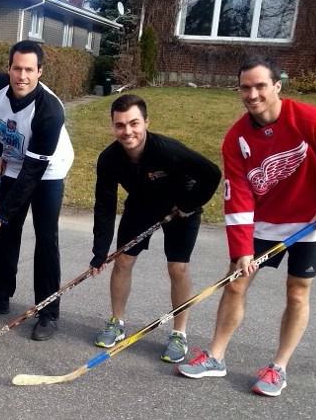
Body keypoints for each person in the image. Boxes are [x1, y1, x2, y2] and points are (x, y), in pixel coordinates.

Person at [177, 56, 316, 396]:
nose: (253, 94)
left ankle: (278, 368)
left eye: (260, 86)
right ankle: (215, 356)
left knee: (297, 290)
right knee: (236, 283)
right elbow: (238, 196)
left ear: (277, 86)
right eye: (246, 87)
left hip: (312, 222)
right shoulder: (236, 138)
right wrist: (242, 250)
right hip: (264, 222)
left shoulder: (307, 119)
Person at [90, 94, 221, 363]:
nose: (127, 131)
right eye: (120, 125)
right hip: (141, 207)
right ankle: (116, 322)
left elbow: (211, 173)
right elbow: (104, 205)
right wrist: (100, 250)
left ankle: (179, 333)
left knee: (177, 268)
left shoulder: (167, 150)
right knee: (122, 260)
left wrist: (188, 204)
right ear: (113, 126)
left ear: (146, 122)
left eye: (134, 123)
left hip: (181, 208)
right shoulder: (109, 159)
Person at [0, 40, 74, 341]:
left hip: (47, 169)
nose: (22, 76)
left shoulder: (50, 112)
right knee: (5, 234)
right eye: (17, 68)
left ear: (40, 72)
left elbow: (32, 175)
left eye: (29, 70)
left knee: (45, 237)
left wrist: (1, 214)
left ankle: (48, 312)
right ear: (9, 68)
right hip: (15, 160)